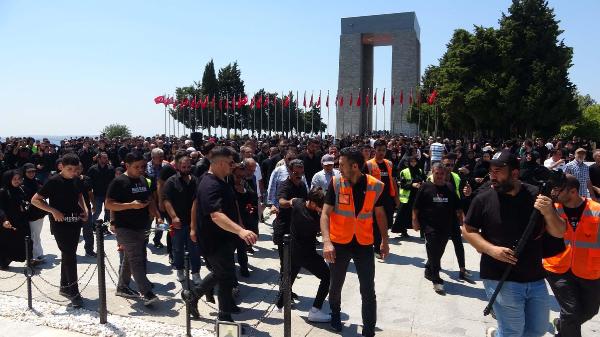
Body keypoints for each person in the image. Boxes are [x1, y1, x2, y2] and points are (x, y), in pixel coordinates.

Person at [462, 149, 566, 337]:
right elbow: (467, 230)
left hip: (534, 277)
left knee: (537, 330)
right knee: (513, 332)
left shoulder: (537, 195)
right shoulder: (483, 198)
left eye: (498, 171)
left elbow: (559, 232)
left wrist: (549, 212)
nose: (492, 175)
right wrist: (491, 249)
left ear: (515, 173)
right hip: (499, 275)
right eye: (491, 171)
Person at [320, 146, 388, 336]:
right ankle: (335, 313)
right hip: (339, 243)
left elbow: (380, 215)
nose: (338, 167)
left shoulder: (375, 185)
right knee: (335, 285)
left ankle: (368, 331)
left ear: (355, 166)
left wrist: (385, 240)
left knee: (368, 289)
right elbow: (325, 214)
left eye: (341, 165)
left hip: (364, 244)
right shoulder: (335, 183)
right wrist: (326, 242)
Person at [190, 146, 257, 326]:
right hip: (214, 239)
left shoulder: (220, 180)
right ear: (220, 163)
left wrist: (239, 226)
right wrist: (241, 231)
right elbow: (216, 215)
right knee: (226, 275)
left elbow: (231, 204)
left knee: (222, 273)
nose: (233, 166)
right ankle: (224, 316)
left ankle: (194, 295)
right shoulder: (209, 184)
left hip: (226, 237)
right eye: (230, 162)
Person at [543, 176, 600, 337]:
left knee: (590, 310)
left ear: (573, 192)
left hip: (589, 270)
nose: (553, 193)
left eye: (558, 190)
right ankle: (567, 324)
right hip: (557, 268)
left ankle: (562, 325)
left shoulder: (597, 210)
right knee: (571, 313)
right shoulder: (552, 209)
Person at [31, 154, 88, 308]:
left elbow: (79, 195)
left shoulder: (77, 179)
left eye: (76, 169)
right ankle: (74, 292)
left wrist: (84, 209)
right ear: (62, 166)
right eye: (69, 169)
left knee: (69, 255)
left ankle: (65, 287)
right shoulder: (53, 181)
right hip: (60, 224)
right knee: (70, 256)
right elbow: (35, 200)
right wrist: (53, 211)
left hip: (75, 222)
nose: (73, 172)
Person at [105, 152, 162, 306]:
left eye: (142, 166)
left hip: (142, 225)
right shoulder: (118, 182)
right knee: (136, 258)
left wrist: (157, 215)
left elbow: (149, 199)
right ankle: (147, 293)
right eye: (136, 167)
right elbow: (109, 204)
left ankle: (122, 286)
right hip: (125, 227)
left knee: (131, 258)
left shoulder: (143, 179)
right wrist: (130, 205)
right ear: (127, 165)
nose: (140, 169)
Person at [276, 188, 331, 323]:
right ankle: (315, 310)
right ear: (311, 203)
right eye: (319, 205)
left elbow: (291, 201)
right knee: (326, 276)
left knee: (289, 278)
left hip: (292, 250)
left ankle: (279, 305)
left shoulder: (299, 202)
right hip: (306, 254)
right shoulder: (312, 220)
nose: (320, 208)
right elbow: (324, 227)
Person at [412, 163, 464, 293]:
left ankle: (429, 270)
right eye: (437, 173)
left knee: (438, 252)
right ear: (432, 173)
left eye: (442, 174)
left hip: (446, 226)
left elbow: (457, 205)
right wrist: (415, 221)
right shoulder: (425, 187)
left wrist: (461, 218)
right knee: (433, 250)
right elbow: (416, 207)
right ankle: (436, 279)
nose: (440, 176)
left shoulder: (450, 187)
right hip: (429, 226)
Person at [162, 153, 201, 286]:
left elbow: (198, 199)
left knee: (195, 248)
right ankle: (179, 269)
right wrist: (173, 217)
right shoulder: (171, 182)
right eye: (183, 166)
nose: (186, 169)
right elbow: (166, 200)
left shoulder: (195, 180)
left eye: (188, 166)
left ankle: (196, 272)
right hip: (178, 222)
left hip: (193, 222)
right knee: (177, 248)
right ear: (178, 166)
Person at [365, 139, 399, 259]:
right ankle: (377, 247)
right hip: (375, 199)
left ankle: (381, 242)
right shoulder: (369, 164)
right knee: (376, 224)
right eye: (379, 150)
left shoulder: (389, 164)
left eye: (383, 150)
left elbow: (393, 181)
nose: (381, 152)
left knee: (388, 222)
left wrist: (396, 198)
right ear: (374, 150)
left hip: (388, 198)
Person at [273, 159, 309, 273]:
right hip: (285, 228)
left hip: (298, 229)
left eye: (301, 173)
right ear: (289, 171)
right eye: (296, 173)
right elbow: (281, 202)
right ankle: (284, 290)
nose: (299, 176)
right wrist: (291, 202)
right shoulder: (285, 186)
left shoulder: (302, 185)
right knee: (285, 263)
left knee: (296, 262)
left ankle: (288, 289)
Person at [0, 170, 31, 270]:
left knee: (24, 241)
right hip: (8, 222)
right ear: (9, 180)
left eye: (19, 179)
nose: (18, 181)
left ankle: (29, 260)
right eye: (15, 179)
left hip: (21, 221)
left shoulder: (20, 189)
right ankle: (4, 262)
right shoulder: (3, 191)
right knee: (8, 243)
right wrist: (4, 220)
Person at [392, 156, 424, 237]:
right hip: (407, 196)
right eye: (411, 161)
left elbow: (425, 179)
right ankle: (403, 231)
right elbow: (402, 185)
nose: (413, 163)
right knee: (403, 215)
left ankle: (422, 233)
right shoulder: (404, 171)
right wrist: (412, 185)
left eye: (415, 161)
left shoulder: (420, 171)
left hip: (418, 195)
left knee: (420, 214)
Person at [21, 163, 46, 262]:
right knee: (33, 235)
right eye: (29, 172)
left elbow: (44, 193)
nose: (32, 173)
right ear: (24, 172)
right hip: (30, 213)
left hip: (40, 211)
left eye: (33, 171)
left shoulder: (37, 181)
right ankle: (36, 255)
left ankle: (38, 254)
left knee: (37, 234)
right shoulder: (22, 184)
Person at [87, 152, 115, 224]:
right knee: (97, 211)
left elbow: (114, 181)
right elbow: (88, 181)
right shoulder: (92, 169)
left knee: (108, 211)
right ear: (99, 159)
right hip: (97, 194)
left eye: (107, 158)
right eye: (104, 158)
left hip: (108, 194)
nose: (106, 159)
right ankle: (92, 224)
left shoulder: (111, 168)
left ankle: (106, 225)